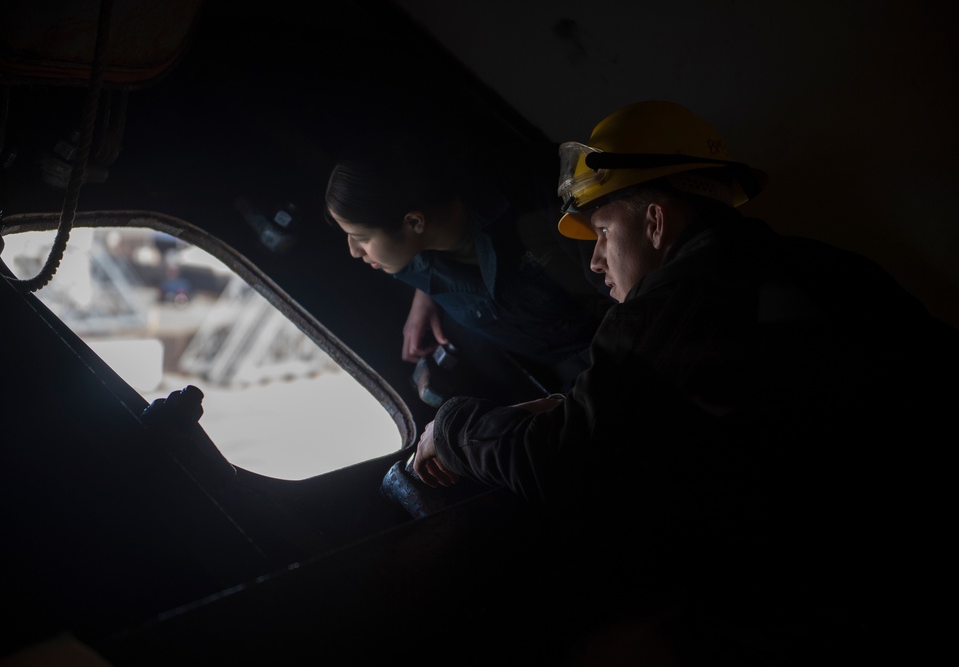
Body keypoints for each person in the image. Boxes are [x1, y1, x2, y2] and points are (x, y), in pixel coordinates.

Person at [411, 101, 958, 663]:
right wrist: (563, 402)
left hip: (849, 594)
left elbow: (568, 467)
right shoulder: (829, 265)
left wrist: (452, 429)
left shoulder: (666, 306)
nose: (595, 261)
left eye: (601, 231)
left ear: (654, 221)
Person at [325, 120, 612, 394]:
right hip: (561, 370)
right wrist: (424, 297)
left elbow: (632, 303)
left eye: (361, 238)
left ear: (414, 222)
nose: (353, 250)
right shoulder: (406, 255)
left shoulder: (539, 196)